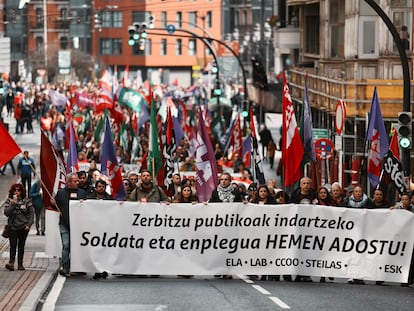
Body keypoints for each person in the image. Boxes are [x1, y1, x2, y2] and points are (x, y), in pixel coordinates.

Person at [50, 172, 87, 277]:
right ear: (69, 182)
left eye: (78, 180)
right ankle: (65, 266)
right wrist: (53, 203)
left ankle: (77, 266)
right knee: (66, 245)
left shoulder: (82, 193)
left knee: (77, 247)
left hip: (78, 226)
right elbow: (55, 207)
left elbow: (88, 207)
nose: (78, 182)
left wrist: (83, 203)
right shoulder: (61, 193)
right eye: (75, 181)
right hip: (65, 224)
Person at [290, 176, 316, 282]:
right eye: (304, 183)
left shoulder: (314, 196)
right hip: (297, 227)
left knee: (308, 251)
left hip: (310, 228)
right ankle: (298, 273)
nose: (306, 186)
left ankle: (307, 273)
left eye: (308, 183)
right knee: (297, 251)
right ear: (300, 185)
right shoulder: (294, 196)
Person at [2, 183, 34, 271]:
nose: (17, 192)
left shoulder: (27, 201)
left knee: (21, 245)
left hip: (23, 227)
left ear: (22, 191)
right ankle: (11, 262)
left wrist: (29, 225)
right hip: (13, 227)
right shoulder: (9, 201)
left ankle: (20, 264)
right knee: (12, 245)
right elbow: (6, 213)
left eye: (18, 190)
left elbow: (31, 214)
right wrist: (13, 204)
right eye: (15, 190)